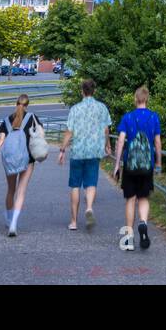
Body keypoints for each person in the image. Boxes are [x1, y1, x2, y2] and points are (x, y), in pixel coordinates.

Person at [111, 86, 162, 251]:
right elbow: (157, 142)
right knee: (144, 198)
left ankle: (129, 238)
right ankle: (143, 222)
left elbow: (120, 141)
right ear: (146, 99)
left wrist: (117, 163)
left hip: (130, 165)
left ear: (135, 99)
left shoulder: (127, 117)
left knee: (130, 199)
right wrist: (159, 162)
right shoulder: (154, 117)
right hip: (147, 165)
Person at [58, 79, 111, 230]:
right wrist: (107, 145)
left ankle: (74, 222)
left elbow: (69, 131)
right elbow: (106, 130)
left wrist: (62, 150)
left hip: (78, 151)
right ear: (93, 91)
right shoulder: (102, 108)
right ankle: (88, 208)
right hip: (94, 151)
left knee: (75, 185)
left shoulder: (75, 109)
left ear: (82, 91)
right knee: (91, 183)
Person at [0, 94, 42, 237]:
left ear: (16, 104)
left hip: (10, 159)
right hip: (27, 159)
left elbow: (1, 140)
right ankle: (14, 224)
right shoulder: (32, 118)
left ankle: (9, 218)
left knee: (11, 190)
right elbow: (41, 135)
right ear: (27, 105)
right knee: (21, 191)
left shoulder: (7, 119)